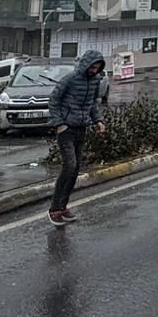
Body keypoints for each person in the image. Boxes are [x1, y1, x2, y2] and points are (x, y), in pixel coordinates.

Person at [48, 51, 107, 227]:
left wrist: (98, 121)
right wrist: (60, 124)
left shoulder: (95, 81)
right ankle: (54, 209)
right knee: (69, 166)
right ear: (86, 65)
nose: (94, 70)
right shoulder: (70, 79)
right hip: (66, 129)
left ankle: (63, 207)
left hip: (82, 128)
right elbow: (53, 100)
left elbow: (92, 104)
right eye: (92, 67)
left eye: (97, 68)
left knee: (75, 170)